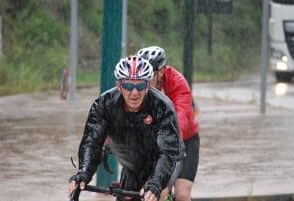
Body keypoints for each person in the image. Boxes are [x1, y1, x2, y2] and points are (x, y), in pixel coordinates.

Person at [68, 55, 185, 201]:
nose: (134, 93)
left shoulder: (162, 107)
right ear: (119, 86)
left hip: (165, 158)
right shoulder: (104, 104)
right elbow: (92, 142)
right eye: (128, 86)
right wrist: (83, 173)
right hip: (133, 164)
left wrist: (155, 183)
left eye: (140, 86)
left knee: (156, 194)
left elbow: (167, 152)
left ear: (148, 86)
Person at [137, 46, 200, 201]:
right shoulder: (135, 85)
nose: (143, 80)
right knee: (147, 190)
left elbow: (182, 116)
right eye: (141, 75)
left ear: (161, 71)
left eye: (148, 75)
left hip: (184, 140)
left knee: (181, 194)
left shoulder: (177, 82)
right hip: (152, 140)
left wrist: (171, 139)